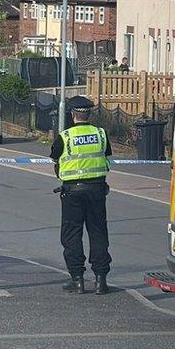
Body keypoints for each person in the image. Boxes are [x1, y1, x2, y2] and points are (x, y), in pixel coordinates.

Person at [50, 96, 113, 295]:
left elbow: (55, 157)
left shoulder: (65, 137)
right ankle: (100, 280)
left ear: (72, 114)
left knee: (71, 234)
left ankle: (77, 279)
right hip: (97, 190)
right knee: (98, 232)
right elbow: (106, 155)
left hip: (72, 192)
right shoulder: (101, 134)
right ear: (89, 114)